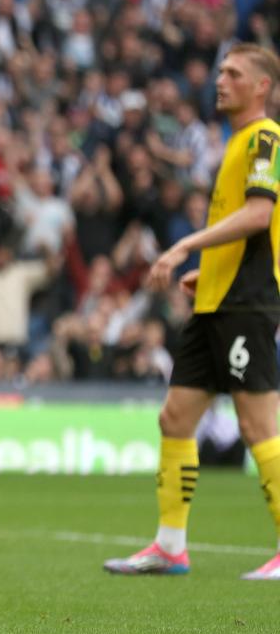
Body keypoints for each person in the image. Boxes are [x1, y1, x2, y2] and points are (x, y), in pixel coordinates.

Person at [105, 43, 280, 580]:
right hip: (215, 301)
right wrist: (209, 270)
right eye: (220, 70)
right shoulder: (234, 144)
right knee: (175, 418)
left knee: (258, 425)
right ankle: (170, 546)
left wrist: (186, 246)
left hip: (245, 305)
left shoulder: (264, 138)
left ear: (261, 86)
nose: (220, 80)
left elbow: (259, 215)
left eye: (234, 73)